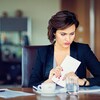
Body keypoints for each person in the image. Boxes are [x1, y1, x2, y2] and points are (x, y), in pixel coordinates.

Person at [28, 10, 100, 87]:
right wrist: (48, 81)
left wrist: (82, 81)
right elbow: (31, 85)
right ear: (54, 32)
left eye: (72, 34)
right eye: (63, 34)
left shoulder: (83, 50)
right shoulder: (43, 52)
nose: (68, 39)